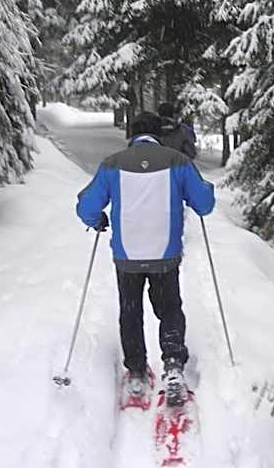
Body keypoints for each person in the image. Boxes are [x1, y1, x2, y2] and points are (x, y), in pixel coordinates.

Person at [76, 111, 215, 406]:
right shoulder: (177, 161)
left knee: (131, 311)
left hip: (127, 256)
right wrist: (206, 192)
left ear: (132, 135)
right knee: (169, 308)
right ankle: (174, 363)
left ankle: (137, 372)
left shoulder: (112, 164)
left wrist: (98, 219)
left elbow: (86, 205)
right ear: (159, 135)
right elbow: (204, 204)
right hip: (165, 254)